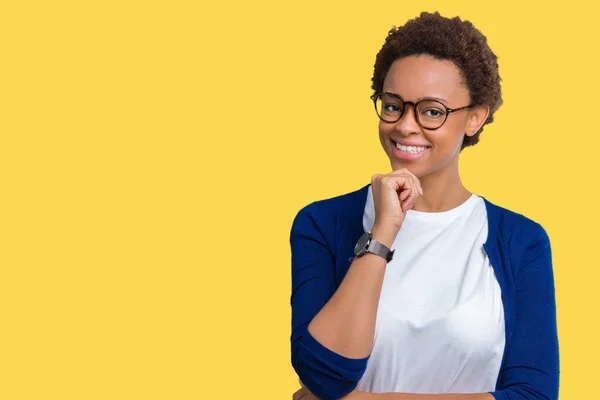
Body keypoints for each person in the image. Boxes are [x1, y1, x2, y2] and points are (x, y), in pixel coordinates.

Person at [289, 11, 559, 400]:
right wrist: (382, 234)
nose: (405, 126)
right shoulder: (321, 223)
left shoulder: (520, 240)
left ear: (475, 118)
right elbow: (323, 375)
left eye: (432, 111)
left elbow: (535, 395)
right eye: (394, 104)